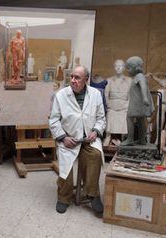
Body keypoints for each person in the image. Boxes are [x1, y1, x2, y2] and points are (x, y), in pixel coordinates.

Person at [49, 66, 106, 214]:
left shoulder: (96, 94)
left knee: (95, 156)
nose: (73, 80)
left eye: (77, 78)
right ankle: (63, 197)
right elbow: (54, 120)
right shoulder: (61, 95)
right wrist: (63, 137)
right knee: (66, 164)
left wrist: (96, 131)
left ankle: (93, 194)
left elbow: (101, 118)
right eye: (72, 77)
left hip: (88, 138)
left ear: (86, 80)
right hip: (68, 138)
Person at [121, 56, 154, 146]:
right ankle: (142, 139)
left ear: (135, 68)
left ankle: (130, 139)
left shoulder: (139, 77)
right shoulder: (138, 76)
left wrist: (145, 98)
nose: (127, 70)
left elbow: (143, 86)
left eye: (129, 68)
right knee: (140, 120)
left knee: (129, 118)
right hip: (138, 103)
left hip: (138, 103)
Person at [103, 59, 132, 146]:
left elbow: (131, 95)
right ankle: (108, 137)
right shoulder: (109, 80)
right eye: (116, 66)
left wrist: (127, 105)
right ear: (114, 68)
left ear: (124, 68)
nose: (118, 68)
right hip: (112, 106)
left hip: (124, 106)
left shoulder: (129, 80)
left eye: (121, 66)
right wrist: (109, 105)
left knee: (125, 117)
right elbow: (106, 94)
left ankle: (124, 139)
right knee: (110, 114)